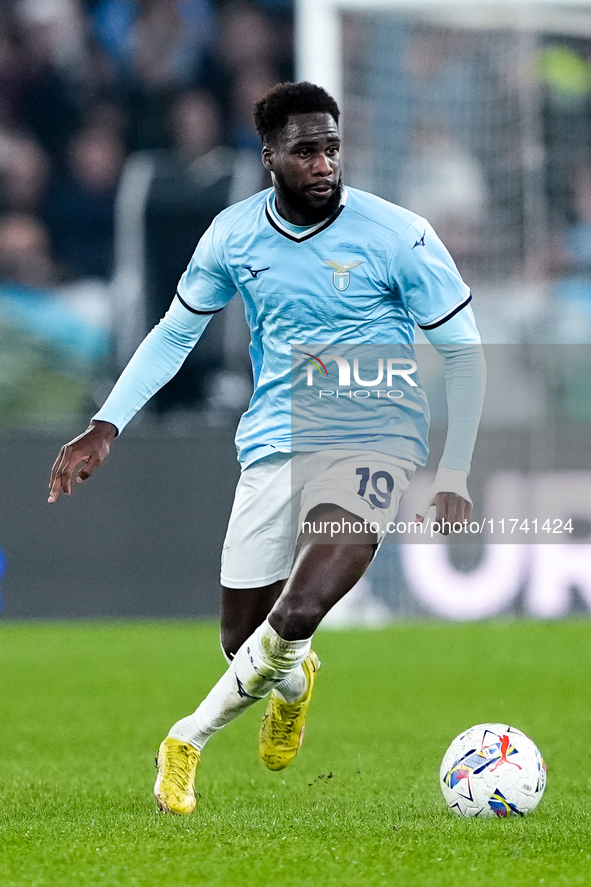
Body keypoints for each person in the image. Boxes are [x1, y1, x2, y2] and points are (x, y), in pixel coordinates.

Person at [48, 81, 486, 815]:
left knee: (303, 603)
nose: (323, 165)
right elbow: (175, 333)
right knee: (243, 638)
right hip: (274, 440)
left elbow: (465, 352)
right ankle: (293, 683)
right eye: (306, 151)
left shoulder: (398, 235)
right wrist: (107, 422)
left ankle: (185, 739)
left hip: (375, 438)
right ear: (270, 157)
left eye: (332, 148)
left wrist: (455, 466)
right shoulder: (232, 235)